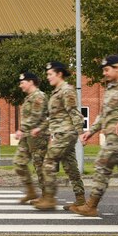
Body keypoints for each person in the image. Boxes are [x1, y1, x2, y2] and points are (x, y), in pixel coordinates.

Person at [71, 55, 118, 217]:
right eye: (104, 70)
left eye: (107, 69)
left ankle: (91, 205)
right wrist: (91, 131)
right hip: (111, 134)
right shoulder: (111, 88)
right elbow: (103, 114)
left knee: (102, 164)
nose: (105, 73)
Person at [32, 61, 85, 211]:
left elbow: (74, 112)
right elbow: (53, 117)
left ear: (59, 74)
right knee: (71, 167)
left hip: (66, 134)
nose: (47, 77)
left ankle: (49, 198)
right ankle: (80, 200)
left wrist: (81, 133)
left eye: (50, 74)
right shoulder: (56, 92)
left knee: (48, 163)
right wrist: (40, 128)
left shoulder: (66, 90)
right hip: (60, 133)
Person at [12, 72, 48, 204]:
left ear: (31, 82)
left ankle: (46, 196)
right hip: (27, 135)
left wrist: (21, 129)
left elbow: (36, 116)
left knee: (39, 167)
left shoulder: (39, 96)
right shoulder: (29, 98)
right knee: (19, 163)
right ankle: (31, 191)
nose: (20, 85)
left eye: (22, 82)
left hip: (38, 135)